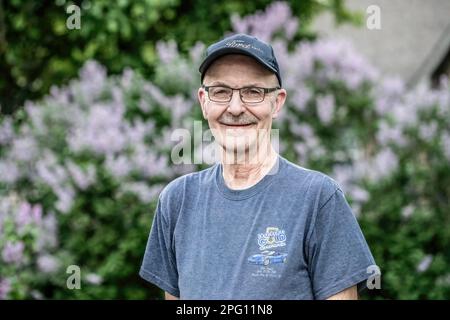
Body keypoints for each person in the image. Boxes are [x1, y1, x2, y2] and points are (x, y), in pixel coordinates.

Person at [139, 33, 378, 300]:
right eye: (221, 92)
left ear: (277, 102)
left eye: (253, 92)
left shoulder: (318, 199)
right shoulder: (177, 201)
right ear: (203, 101)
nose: (236, 107)